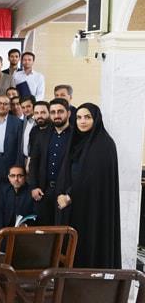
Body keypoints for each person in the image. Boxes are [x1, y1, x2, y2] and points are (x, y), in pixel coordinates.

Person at [55, 103, 121, 269]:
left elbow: (93, 178)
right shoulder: (76, 141)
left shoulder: (104, 144)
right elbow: (66, 171)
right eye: (79, 117)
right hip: (71, 207)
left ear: (96, 119)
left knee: (89, 245)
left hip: (93, 208)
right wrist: (61, 193)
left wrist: (70, 196)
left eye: (87, 117)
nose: (82, 121)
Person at [28, 98, 72, 226]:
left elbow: (79, 169)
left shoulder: (75, 136)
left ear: (68, 113)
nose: (56, 115)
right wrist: (34, 187)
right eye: (53, 112)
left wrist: (69, 194)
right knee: (44, 231)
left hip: (64, 194)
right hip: (43, 191)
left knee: (63, 231)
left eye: (60, 111)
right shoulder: (41, 135)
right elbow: (34, 163)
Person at [0, 165, 35, 233]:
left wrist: (26, 226)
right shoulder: (3, 191)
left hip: (25, 232)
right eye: (12, 176)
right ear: (9, 177)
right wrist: (0, 232)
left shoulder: (32, 192)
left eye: (19, 176)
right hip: (4, 232)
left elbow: (37, 216)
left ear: (25, 177)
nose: (16, 179)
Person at [20, 95, 36, 160]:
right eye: (23, 107)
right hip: (24, 159)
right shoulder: (25, 120)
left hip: (35, 160)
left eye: (28, 106)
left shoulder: (39, 121)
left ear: (34, 105)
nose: (26, 110)